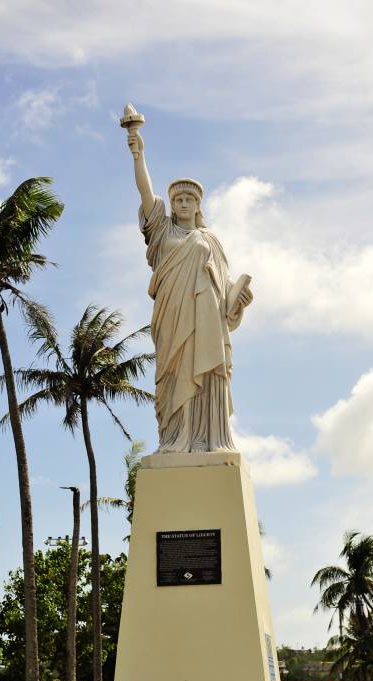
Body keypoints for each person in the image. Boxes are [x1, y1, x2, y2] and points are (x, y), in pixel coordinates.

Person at [127, 127, 253, 453]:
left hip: (206, 318)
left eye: (189, 200)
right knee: (174, 374)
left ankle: (210, 439)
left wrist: (238, 300)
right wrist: (138, 154)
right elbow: (145, 192)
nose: (183, 203)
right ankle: (175, 438)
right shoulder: (162, 229)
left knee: (208, 372)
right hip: (172, 314)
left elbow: (223, 286)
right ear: (171, 204)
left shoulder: (210, 240)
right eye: (178, 200)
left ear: (198, 206)